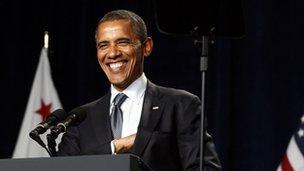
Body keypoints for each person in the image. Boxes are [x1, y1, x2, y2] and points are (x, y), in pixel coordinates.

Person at [57, 9, 221, 171]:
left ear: (146, 47)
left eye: (122, 42)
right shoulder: (80, 119)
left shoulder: (180, 105)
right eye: (103, 45)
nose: (112, 53)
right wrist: (116, 146)